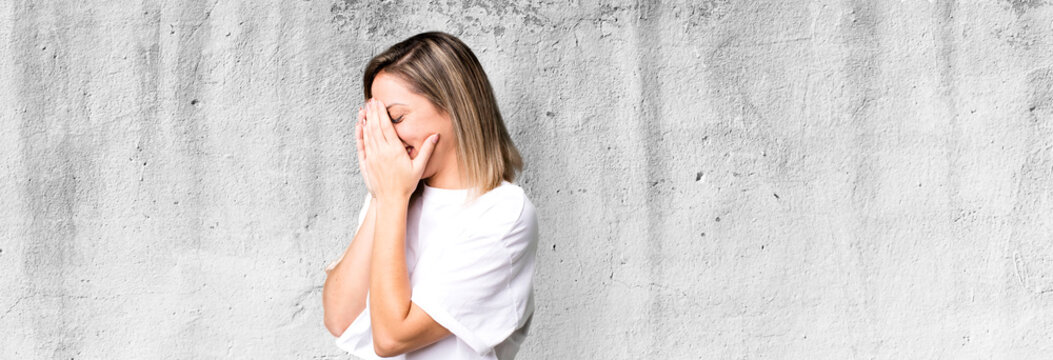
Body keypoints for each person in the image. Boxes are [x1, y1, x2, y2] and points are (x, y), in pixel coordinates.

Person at [321, 31, 539, 360]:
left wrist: (392, 197)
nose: (385, 137)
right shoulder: (395, 193)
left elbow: (392, 338)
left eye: (395, 118)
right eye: (377, 121)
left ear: (454, 105)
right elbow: (339, 318)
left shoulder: (503, 213)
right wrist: (382, 197)